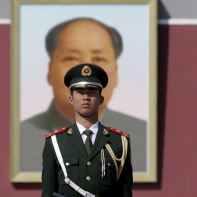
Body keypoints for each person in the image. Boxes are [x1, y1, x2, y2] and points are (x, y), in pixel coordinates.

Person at [19, 17, 146, 173]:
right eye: (71, 58)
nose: (86, 72)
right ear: (50, 71)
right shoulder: (20, 138)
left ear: (116, 73)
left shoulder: (142, 138)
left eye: (99, 58)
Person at [39, 63, 133, 197]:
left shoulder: (119, 142)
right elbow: (48, 194)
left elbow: (125, 194)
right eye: (80, 92)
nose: (86, 97)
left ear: (101, 99)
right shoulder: (56, 142)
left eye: (92, 92)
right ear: (71, 99)